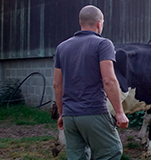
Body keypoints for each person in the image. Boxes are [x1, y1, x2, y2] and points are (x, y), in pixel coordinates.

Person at [53, 5, 129, 160]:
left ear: (80, 23)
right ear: (99, 24)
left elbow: (57, 85)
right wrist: (120, 113)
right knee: (111, 152)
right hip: (93, 111)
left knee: (77, 157)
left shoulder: (62, 47)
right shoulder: (103, 44)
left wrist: (62, 114)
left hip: (69, 116)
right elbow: (108, 80)